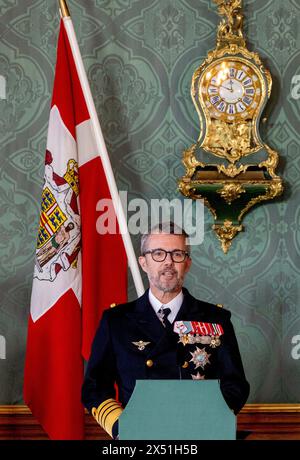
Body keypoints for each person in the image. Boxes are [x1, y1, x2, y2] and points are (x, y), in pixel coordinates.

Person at [82, 222, 250, 439]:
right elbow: (95, 387)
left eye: (177, 254)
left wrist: (209, 418)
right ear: (144, 263)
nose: (168, 262)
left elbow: (235, 384)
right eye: (158, 254)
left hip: (200, 433)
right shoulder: (116, 321)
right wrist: (121, 426)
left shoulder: (216, 319)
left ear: (187, 263)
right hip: (139, 435)